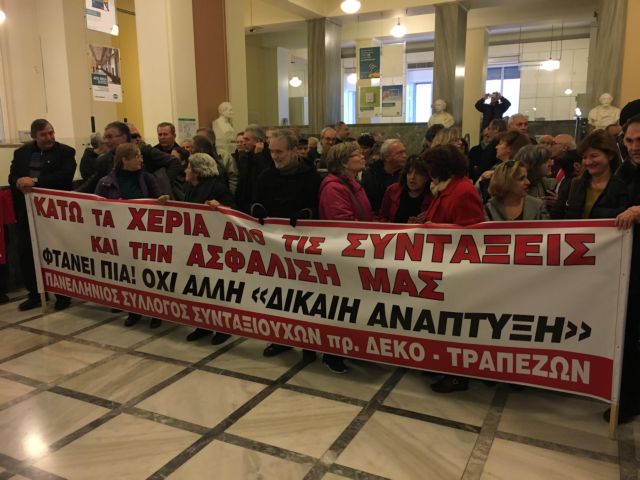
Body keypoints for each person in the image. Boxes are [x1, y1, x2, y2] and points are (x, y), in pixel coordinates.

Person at [251, 130, 322, 359]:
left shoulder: (312, 178)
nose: (274, 156)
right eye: (271, 151)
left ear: (294, 151)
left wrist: (308, 214)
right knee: (278, 296)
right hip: (274, 247)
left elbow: (320, 209)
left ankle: (309, 343)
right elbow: (254, 201)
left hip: (303, 247)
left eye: (279, 152)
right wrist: (257, 209)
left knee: (305, 297)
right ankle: (280, 338)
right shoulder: (265, 176)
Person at [422, 145, 484, 393]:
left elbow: (472, 233)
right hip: (441, 265)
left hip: (456, 268)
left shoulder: (462, 192)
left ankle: (458, 375)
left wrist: (434, 228)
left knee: (454, 323)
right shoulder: (445, 189)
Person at [95, 143, 165, 328]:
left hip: (145, 236)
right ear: (124, 160)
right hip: (120, 237)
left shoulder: (147, 178)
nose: (141, 160)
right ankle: (134, 311)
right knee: (129, 276)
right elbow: (96, 207)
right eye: (137, 156)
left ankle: (155, 311)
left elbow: (158, 198)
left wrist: (161, 201)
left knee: (149, 274)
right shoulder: (106, 182)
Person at [9, 119, 76, 311]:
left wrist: (35, 181)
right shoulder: (21, 153)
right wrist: (19, 182)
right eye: (44, 134)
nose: (49, 138)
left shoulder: (65, 152)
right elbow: (12, 176)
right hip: (27, 211)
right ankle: (36, 294)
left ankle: (63, 294)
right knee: (27, 252)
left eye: (51, 133)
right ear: (34, 136)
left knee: (58, 252)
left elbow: (65, 176)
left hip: (54, 213)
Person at [318, 142, 374, 373]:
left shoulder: (353, 183)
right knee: (341, 307)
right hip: (342, 254)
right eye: (356, 154)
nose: (362, 156)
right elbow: (342, 223)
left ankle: (350, 347)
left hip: (357, 251)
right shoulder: (334, 188)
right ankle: (332, 354)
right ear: (343, 162)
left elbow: (364, 215)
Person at [183, 152, 236, 345]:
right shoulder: (192, 187)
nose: (186, 170)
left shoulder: (217, 187)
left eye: (189, 167)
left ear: (197, 171)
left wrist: (221, 207)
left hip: (215, 247)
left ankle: (223, 327)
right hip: (197, 245)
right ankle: (203, 324)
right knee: (200, 287)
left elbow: (233, 211)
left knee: (216, 288)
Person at [612, 114, 640, 423]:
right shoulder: (626, 170)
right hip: (629, 266)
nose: (634, 147)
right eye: (629, 140)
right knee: (627, 331)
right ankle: (629, 398)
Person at [553, 130, 628, 219]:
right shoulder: (573, 185)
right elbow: (555, 217)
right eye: (584, 157)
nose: (588, 162)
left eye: (594, 156)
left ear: (610, 155)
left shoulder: (623, 187)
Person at [379, 155, 433, 223]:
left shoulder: (432, 196)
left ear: (426, 177)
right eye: (409, 173)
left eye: (418, 173)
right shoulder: (393, 190)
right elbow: (382, 217)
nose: (412, 177)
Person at [362, 139, 407, 214]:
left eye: (404, 152)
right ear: (387, 157)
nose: (404, 156)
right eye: (399, 153)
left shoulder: (407, 174)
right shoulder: (370, 175)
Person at [235, 125, 272, 213]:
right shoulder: (245, 156)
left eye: (247, 140)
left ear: (258, 141)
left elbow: (265, 176)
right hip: (244, 206)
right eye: (243, 139)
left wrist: (258, 155)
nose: (244, 143)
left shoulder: (269, 155)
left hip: (260, 207)